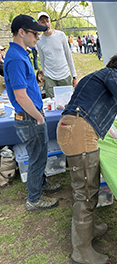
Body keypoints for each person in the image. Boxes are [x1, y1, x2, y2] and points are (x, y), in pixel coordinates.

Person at [56, 54, 117, 264]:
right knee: (85, 192)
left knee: (88, 187)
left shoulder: (97, 77)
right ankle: (81, 251)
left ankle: (88, 231)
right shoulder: (112, 74)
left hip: (73, 128)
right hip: (79, 132)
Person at [3, 14, 62, 210]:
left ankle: (41, 184)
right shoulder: (16, 59)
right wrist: (38, 117)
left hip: (32, 115)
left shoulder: (21, 53)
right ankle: (34, 199)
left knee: (40, 154)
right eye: (35, 33)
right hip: (30, 118)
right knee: (37, 158)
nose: (38, 38)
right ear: (22, 32)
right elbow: (20, 96)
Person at [37, 12, 78, 98]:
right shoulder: (39, 40)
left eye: (47, 21)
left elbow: (68, 56)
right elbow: (42, 60)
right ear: (39, 24)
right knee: (52, 104)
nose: (46, 24)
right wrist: (45, 76)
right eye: (43, 22)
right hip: (50, 77)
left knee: (67, 103)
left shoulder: (60, 35)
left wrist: (74, 76)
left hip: (64, 75)